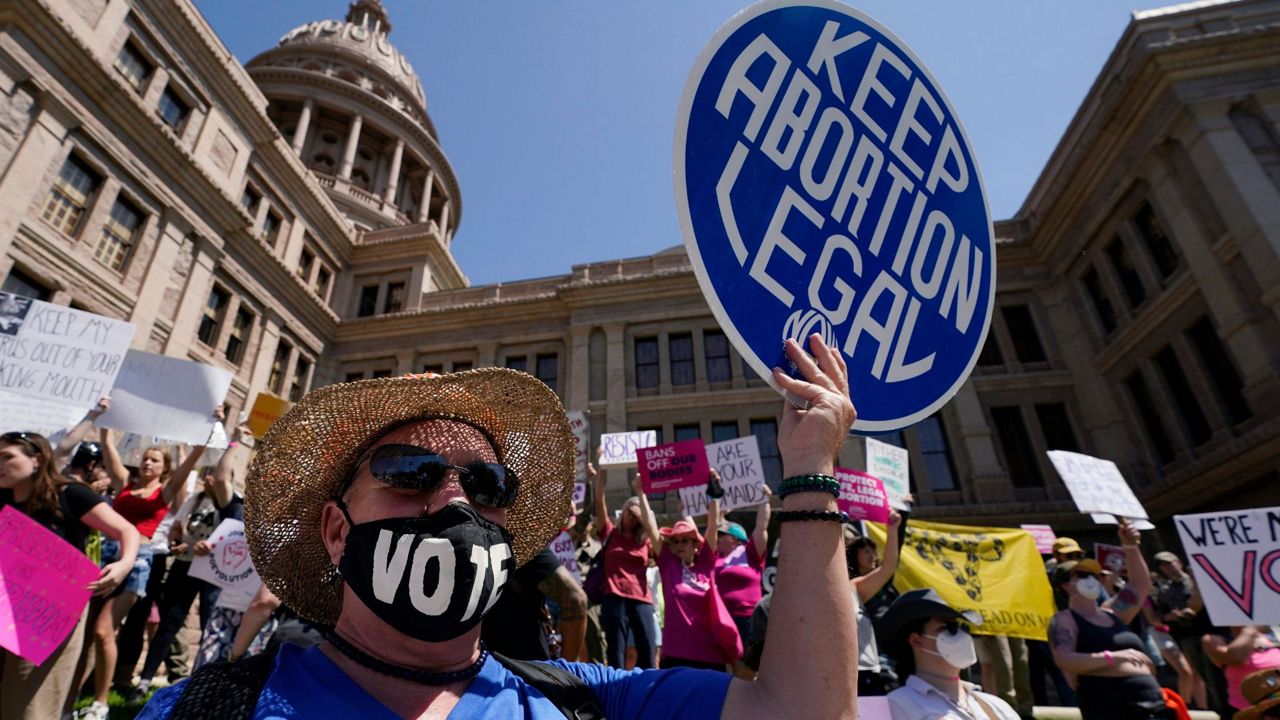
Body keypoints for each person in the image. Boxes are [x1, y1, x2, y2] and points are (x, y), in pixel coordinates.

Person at [141, 334, 860, 718]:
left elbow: (807, 710)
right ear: (336, 530)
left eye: (486, 485)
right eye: (408, 471)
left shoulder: (583, 701)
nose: (452, 501)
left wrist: (808, 467)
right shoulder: (205, 710)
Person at [78, 411, 219, 720]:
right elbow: (108, 445)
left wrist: (207, 429)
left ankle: (101, 703)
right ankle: (71, 698)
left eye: (155, 460)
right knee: (86, 631)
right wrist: (104, 416)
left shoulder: (164, 492)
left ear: (164, 468)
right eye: (146, 458)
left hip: (137, 561)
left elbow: (190, 462)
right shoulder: (124, 484)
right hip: (103, 558)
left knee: (104, 631)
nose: (148, 462)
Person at [0, 431, 140, 720]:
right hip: (6, 606)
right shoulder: (3, 499)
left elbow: (127, 531)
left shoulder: (70, 494)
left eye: (7, 457)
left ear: (36, 459)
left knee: (29, 706)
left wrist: (124, 564)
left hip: (49, 615)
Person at [130, 423, 247, 699]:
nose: (210, 478)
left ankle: (204, 684)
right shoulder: (195, 500)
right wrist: (178, 543)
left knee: (211, 625)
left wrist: (236, 442)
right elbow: (177, 528)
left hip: (214, 571)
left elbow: (233, 537)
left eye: (217, 474)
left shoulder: (232, 503)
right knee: (170, 622)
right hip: (185, 564)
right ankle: (145, 680)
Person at [1047, 521, 1168, 720]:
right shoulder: (1064, 620)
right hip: (1108, 702)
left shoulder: (1114, 612)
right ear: (1066, 585)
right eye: (1083, 575)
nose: (1092, 579)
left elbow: (1139, 584)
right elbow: (1064, 659)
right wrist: (1115, 657)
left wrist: (1130, 545)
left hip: (1151, 700)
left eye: (1094, 575)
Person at [880, 587, 1019, 719]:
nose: (960, 635)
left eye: (960, 627)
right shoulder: (897, 704)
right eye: (947, 628)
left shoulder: (996, 705)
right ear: (916, 640)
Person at [652, 479, 738, 671]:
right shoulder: (668, 567)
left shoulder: (706, 564)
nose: (679, 544)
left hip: (711, 655)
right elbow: (651, 528)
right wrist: (641, 493)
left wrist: (714, 492)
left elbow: (713, 525)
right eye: (675, 541)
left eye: (685, 541)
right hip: (676, 655)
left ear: (695, 545)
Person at [590, 455, 660, 669]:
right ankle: (616, 690)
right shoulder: (609, 533)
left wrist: (642, 499)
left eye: (636, 511)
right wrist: (602, 468)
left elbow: (654, 534)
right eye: (629, 509)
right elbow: (599, 499)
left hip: (641, 599)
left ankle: (649, 689)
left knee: (647, 648)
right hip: (614, 597)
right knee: (616, 651)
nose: (632, 513)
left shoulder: (645, 540)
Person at [1153, 550, 1229, 716]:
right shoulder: (1165, 590)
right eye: (1163, 566)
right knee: (1201, 674)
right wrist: (1171, 616)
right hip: (1186, 636)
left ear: (1179, 562)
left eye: (1169, 563)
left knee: (1217, 674)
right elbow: (1160, 615)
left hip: (1209, 634)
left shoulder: (1196, 581)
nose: (1167, 568)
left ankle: (1221, 707)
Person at [481, 546, 589, 661]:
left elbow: (576, 599)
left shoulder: (520, 544)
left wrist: (565, 670)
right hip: (489, 664)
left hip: (525, 666)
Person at [713, 485, 771, 674]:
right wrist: (719, 510)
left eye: (723, 535)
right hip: (722, 619)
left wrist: (764, 500)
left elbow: (762, 527)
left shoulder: (750, 553)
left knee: (748, 668)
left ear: (736, 539)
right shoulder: (716, 558)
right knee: (726, 669)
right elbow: (712, 527)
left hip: (748, 619)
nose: (718, 538)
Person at [848, 511, 902, 696]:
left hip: (877, 667)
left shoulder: (858, 587)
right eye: (866, 551)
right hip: (848, 674)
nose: (872, 556)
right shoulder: (846, 587)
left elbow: (888, 565)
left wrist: (893, 529)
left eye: (873, 551)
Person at [1203, 626, 1280, 715]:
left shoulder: (1273, 634)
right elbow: (1236, 658)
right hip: (1246, 709)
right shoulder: (1214, 639)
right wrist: (1251, 630)